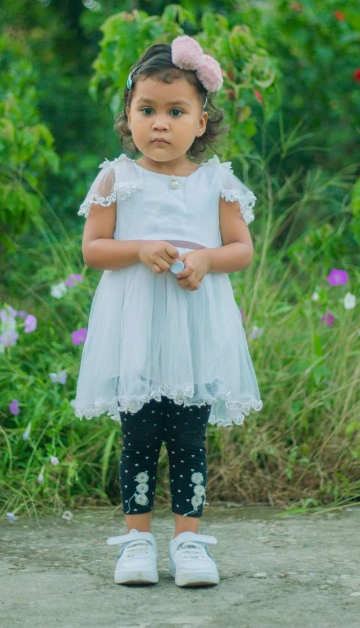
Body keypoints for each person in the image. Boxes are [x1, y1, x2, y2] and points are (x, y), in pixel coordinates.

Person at [71, 35, 263, 588]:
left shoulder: (216, 182)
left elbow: (241, 249)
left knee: (187, 437)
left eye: (176, 111)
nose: (160, 123)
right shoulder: (117, 177)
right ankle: (135, 540)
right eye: (147, 110)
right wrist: (136, 248)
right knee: (138, 435)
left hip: (193, 328)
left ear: (201, 121)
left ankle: (187, 541)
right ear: (127, 116)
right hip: (136, 328)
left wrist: (205, 258)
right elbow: (93, 249)